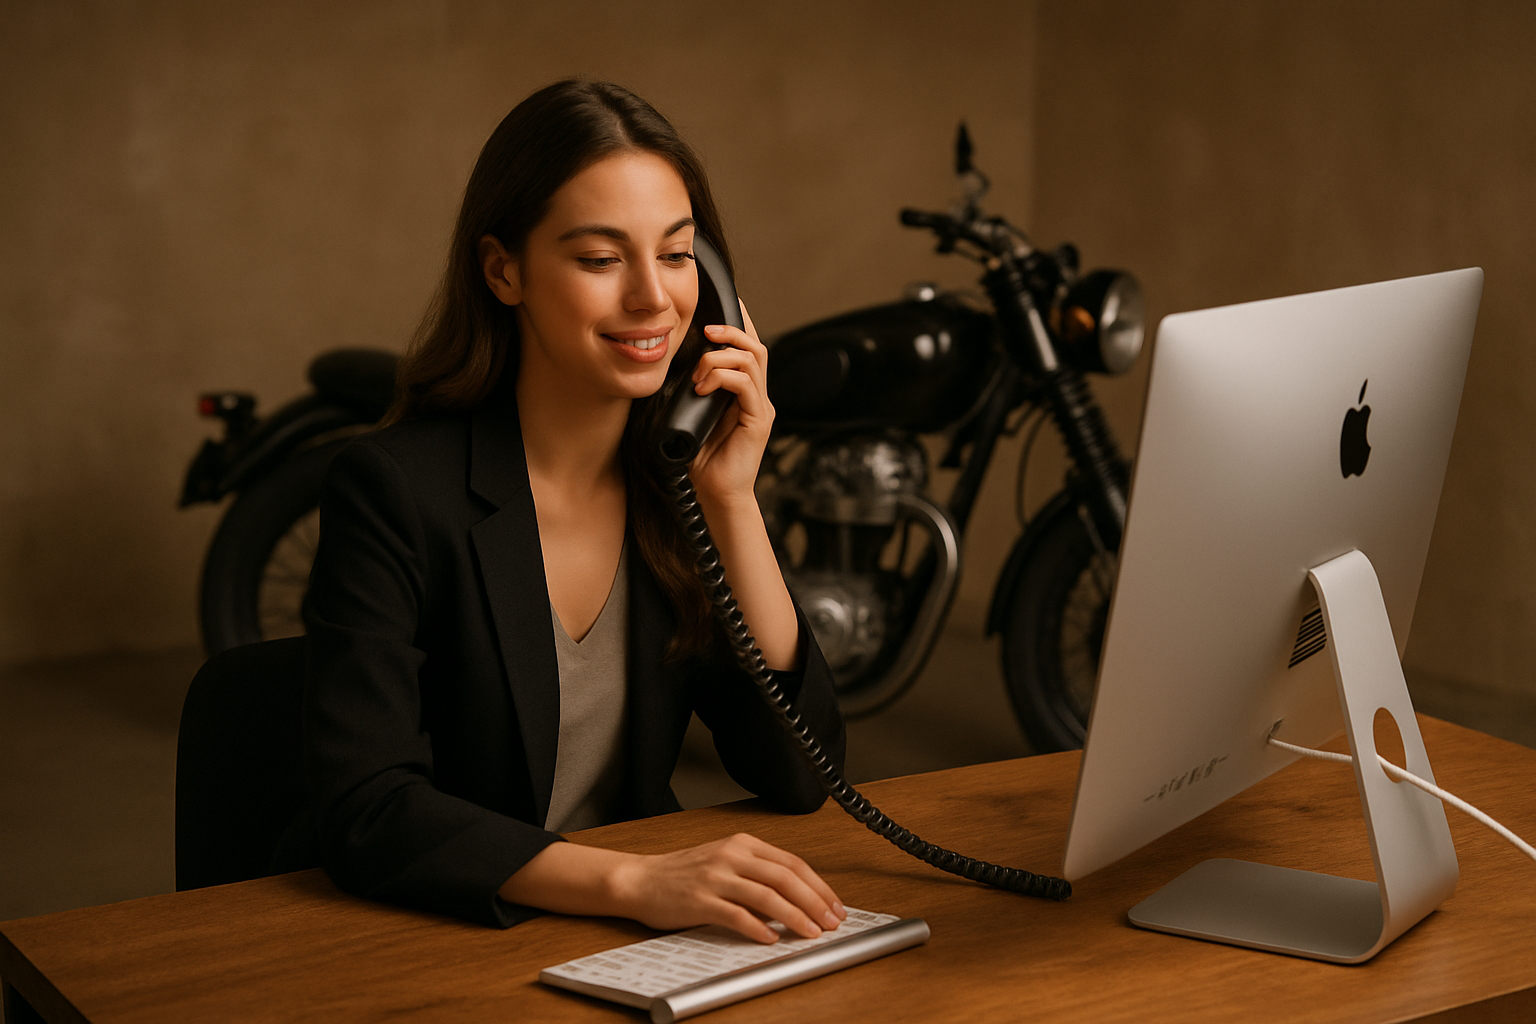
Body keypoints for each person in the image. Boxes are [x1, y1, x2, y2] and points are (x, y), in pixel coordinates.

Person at [297, 79, 849, 945]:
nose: (653, 298)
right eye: (600, 259)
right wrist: (632, 881)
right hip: (460, 931)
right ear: (503, 270)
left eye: (677, 255)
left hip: (634, 939)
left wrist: (732, 500)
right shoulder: (393, 489)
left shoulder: (680, 487)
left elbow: (801, 772)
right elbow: (369, 808)